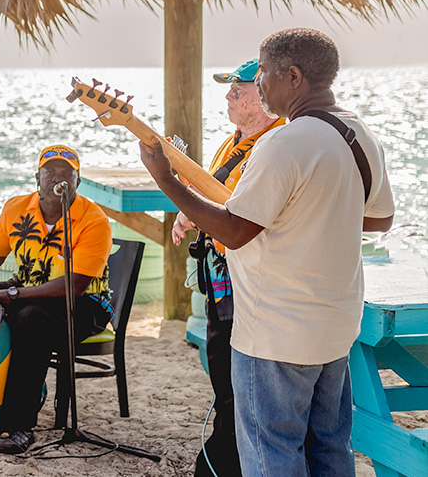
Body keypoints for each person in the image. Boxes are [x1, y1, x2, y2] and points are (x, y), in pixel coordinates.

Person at [139, 28, 394, 477]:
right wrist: (312, 219)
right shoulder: (358, 132)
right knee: (330, 448)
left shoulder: (283, 144)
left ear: (293, 77)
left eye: (265, 75)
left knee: (271, 451)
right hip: (335, 323)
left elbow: (235, 231)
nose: (260, 85)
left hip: (276, 330)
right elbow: (378, 220)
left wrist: (166, 180)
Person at [0, 145, 113, 453]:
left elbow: (75, 284)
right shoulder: (17, 207)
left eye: (66, 173)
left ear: (78, 181)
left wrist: (11, 294)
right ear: (38, 177)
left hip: (84, 305)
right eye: (50, 172)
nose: (57, 178)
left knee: (29, 318)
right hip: (28, 289)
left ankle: (18, 426)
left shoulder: (93, 220)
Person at [174, 59, 284, 477]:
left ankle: (227, 457)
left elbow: (242, 212)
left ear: (264, 95)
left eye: (238, 91)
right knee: (222, 366)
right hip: (220, 280)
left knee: (240, 375)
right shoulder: (234, 141)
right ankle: (226, 449)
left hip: (249, 282)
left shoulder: (274, 144)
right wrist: (189, 208)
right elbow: (215, 193)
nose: (229, 97)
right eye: (230, 90)